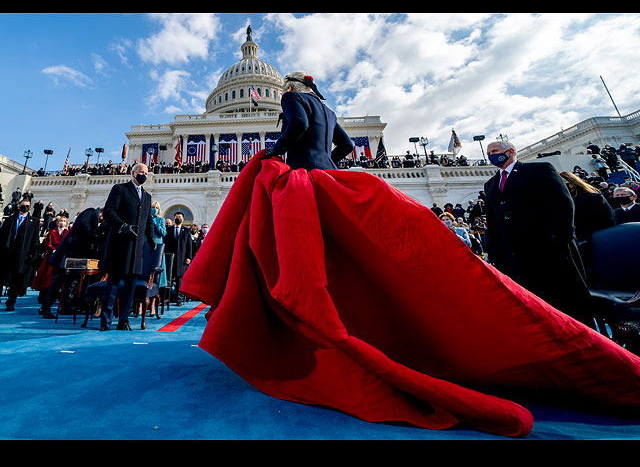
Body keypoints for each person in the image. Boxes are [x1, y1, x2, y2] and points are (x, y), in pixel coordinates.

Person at [179, 73, 640, 438]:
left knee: (287, 257)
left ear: (291, 87)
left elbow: (296, 129)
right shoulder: (329, 106)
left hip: (298, 182)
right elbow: (340, 146)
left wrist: (273, 155)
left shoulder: (292, 102)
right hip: (329, 177)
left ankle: (296, 331)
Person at [483, 141, 593, 327]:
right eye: (488, 153)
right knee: (537, 308)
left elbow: (563, 205)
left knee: (568, 304)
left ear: (511, 152)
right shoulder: (491, 184)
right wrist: (496, 253)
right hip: (518, 258)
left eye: (495, 151)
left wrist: (557, 240)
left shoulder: (539, 170)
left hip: (551, 252)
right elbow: (494, 222)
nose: (491, 155)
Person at [100, 163, 155, 331]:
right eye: (141, 172)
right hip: (120, 244)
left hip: (137, 248)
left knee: (130, 285)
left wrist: (151, 237)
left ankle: (123, 320)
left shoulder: (147, 197)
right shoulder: (120, 189)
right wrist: (123, 226)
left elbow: (148, 219)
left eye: (146, 172)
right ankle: (106, 321)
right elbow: (109, 211)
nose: (144, 175)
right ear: (133, 173)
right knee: (113, 284)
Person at [264, 71, 354, 169]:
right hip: (330, 172)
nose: (283, 95)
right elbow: (347, 144)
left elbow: (300, 124)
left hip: (304, 171)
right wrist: (328, 160)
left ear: (290, 88)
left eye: (283, 92)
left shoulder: (291, 96)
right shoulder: (329, 112)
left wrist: (277, 149)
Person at [558, 171, 616, 284]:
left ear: (572, 183)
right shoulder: (555, 205)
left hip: (596, 247)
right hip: (572, 251)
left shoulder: (594, 198)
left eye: (565, 183)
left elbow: (609, 222)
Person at [0, 198, 42, 310]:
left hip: (22, 255)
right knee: (2, 276)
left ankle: (11, 301)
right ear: (18, 206)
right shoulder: (10, 220)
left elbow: (35, 240)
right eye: (23, 205)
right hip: (7, 253)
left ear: (30, 208)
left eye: (27, 206)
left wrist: (32, 254)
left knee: (16, 279)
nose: (25, 207)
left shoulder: (34, 222)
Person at [31, 216, 68, 314]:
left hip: (61, 258)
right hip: (51, 256)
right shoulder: (52, 232)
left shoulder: (67, 233)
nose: (62, 223)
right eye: (61, 221)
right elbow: (48, 243)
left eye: (64, 221)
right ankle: (43, 298)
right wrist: (54, 250)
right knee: (47, 277)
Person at [164, 211, 192, 306]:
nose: (178, 218)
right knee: (170, 278)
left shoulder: (186, 230)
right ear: (173, 218)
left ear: (183, 219)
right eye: (176, 216)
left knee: (180, 279)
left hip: (182, 258)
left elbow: (189, 245)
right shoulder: (169, 229)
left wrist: (189, 257)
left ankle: (179, 299)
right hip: (170, 258)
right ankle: (167, 298)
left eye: (179, 217)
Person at [150, 200, 168, 293]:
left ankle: (157, 292)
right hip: (147, 245)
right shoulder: (147, 218)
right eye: (153, 207)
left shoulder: (161, 220)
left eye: (156, 208)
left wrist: (155, 223)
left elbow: (163, 233)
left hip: (158, 246)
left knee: (157, 268)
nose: (155, 209)